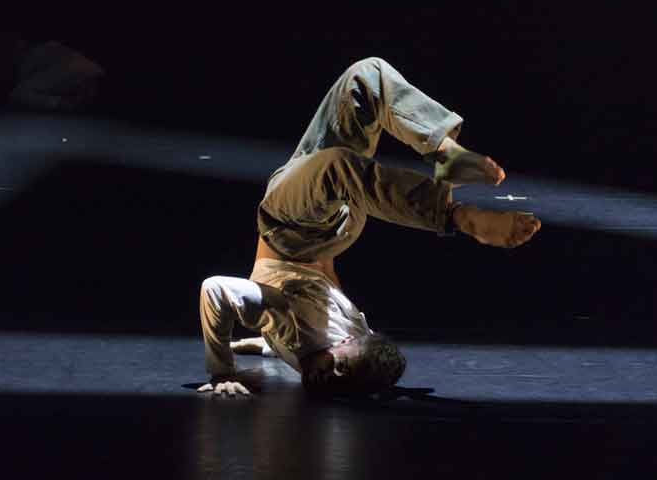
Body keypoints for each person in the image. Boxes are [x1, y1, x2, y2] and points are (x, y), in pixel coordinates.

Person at [197, 57, 542, 397]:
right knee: (356, 113)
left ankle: (444, 159)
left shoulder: (342, 338)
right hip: (297, 229)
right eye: (341, 368)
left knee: (363, 82)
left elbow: (220, 292)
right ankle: (453, 207)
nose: (329, 375)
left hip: (318, 221)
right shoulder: (315, 333)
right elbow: (219, 293)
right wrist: (225, 369)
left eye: (340, 383)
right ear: (349, 341)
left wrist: (263, 347)